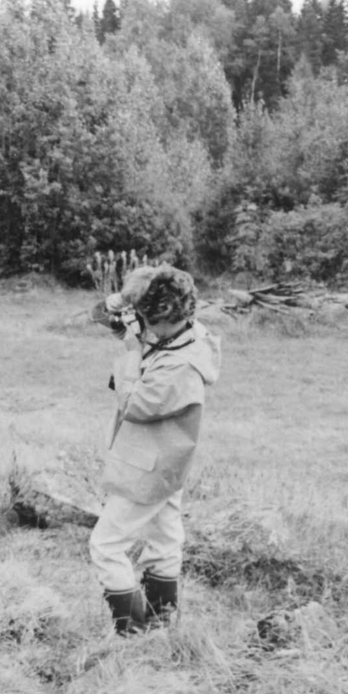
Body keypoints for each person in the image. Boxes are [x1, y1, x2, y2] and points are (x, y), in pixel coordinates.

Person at [89, 265, 221, 634]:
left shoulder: (180, 365)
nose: (141, 326)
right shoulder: (177, 334)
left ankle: (131, 634)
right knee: (164, 539)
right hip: (168, 461)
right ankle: (161, 627)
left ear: (160, 317)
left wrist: (132, 352)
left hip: (149, 465)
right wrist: (120, 301)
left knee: (106, 545)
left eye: (145, 318)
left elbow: (134, 405)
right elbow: (100, 315)